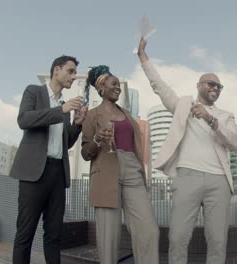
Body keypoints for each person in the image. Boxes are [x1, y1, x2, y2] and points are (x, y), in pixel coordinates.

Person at [137, 38, 237, 264]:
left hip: (219, 180)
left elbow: (234, 143)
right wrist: (143, 58)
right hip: (187, 177)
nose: (214, 88)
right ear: (199, 86)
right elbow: (159, 85)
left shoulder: (225, 116)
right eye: (210, 83)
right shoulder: (183, 104)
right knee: (178, 237)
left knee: (217, 240)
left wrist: (211, 119)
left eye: (218, 86)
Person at [10, 55, 87, 264]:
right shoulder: (34, 91)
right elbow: (24, 120)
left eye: (74, 73)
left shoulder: (65, 106)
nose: (73, 77)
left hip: (57, 176)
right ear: (56, 70)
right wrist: (60, 110)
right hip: (34, 173)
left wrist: (77, 125)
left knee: (54, 235)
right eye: (70, 71)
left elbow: (66, 143)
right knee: (24, 234)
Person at [80, 65, 159, 264]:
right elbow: (85, 153)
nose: (118, 88)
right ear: (101, 88)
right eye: (113, 84)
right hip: (106, 172)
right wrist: (97, 139)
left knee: (149, 230)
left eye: (118, 85)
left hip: (132, 170)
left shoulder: (128, 116)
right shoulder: (92, 116)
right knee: (108, 237)